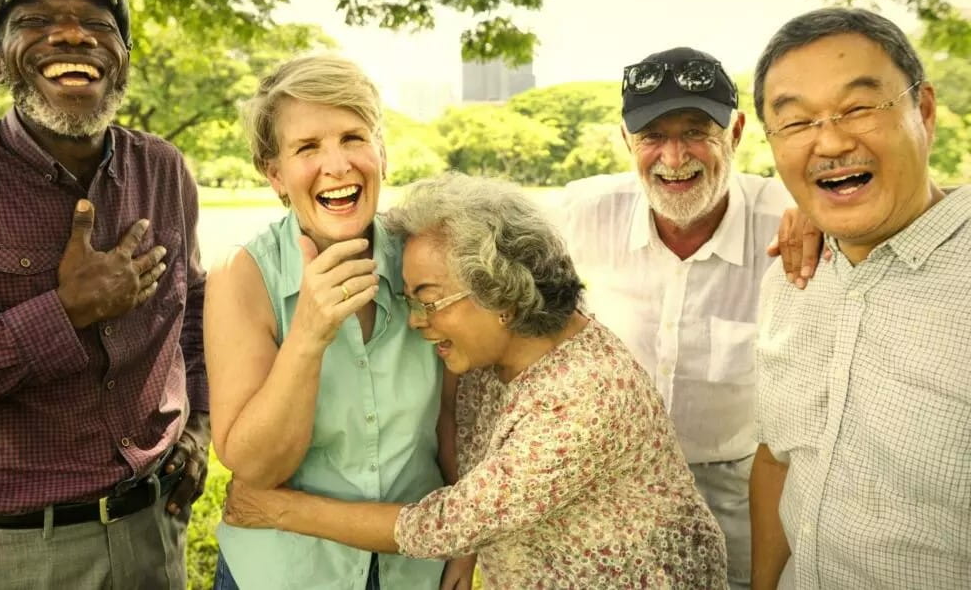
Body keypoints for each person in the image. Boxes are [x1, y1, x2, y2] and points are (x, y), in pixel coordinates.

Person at [223, 172, 729, 589]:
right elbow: (466, 460)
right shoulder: (497, 358)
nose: (417, 321)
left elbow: (444, 523)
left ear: (501, 295)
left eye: (429, 298)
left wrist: (277, 509)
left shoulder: (584, 395)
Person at [0, 0, 209, 589]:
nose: (72, 35)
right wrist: (64, 314)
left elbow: (194, 312)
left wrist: (199, 425)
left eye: (98, 22)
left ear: (121, 57)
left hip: (154, 530)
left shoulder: (163, 168)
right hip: (13, 551)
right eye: (36, 20)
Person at [205, 54, 451, 590]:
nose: (337, 166)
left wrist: (464, 545)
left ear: (382, 154)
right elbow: (256, 469)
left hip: (413, 570)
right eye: (307, 148)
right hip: (284, 573)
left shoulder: (427, 258)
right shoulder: (242, 276)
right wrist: (309, 334)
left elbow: (453, 421)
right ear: (275, 174)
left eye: (353, 138)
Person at [749, 7, 971, 589]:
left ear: (923, 110)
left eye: (858, 108)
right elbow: (777, 458)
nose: (831, 140)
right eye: (796, 123)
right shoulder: (792, 273)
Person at [560, 46, 795, 589]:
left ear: (734, 133)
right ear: (626, 140)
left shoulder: (788, 218)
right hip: (608, 485)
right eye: (652, 137)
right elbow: (473, 237)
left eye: (694, 131)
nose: (673, 156)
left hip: (735, 490)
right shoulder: (583, 212)